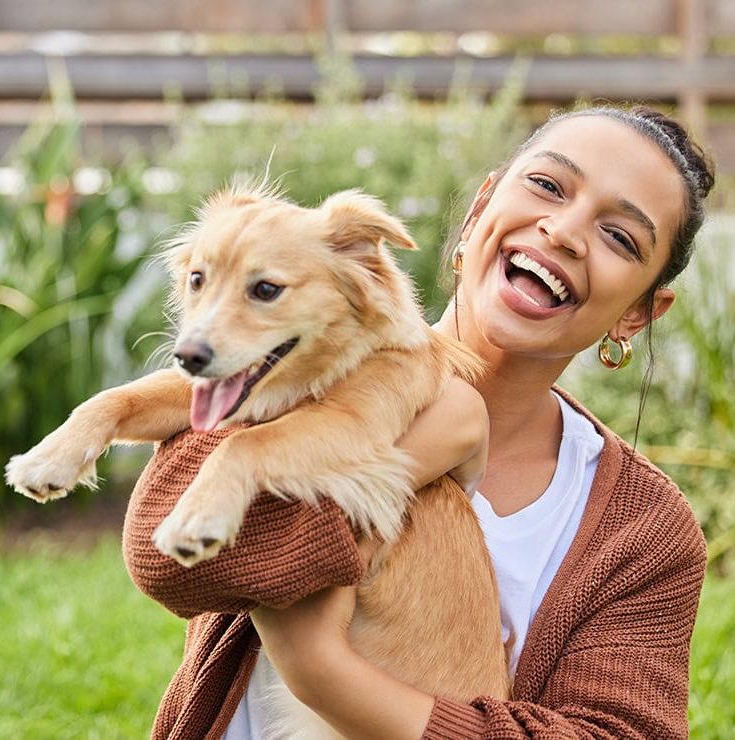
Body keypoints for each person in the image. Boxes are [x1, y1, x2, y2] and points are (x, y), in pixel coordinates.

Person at [122, 104, 715, 739]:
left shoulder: (646, 529)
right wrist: (423, 448)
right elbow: (172, 562)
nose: (565, 231)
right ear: (479, 211)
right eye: (547, 185)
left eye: (621, 236)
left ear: (639, 315)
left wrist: (322, 670)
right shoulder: (285, 367)